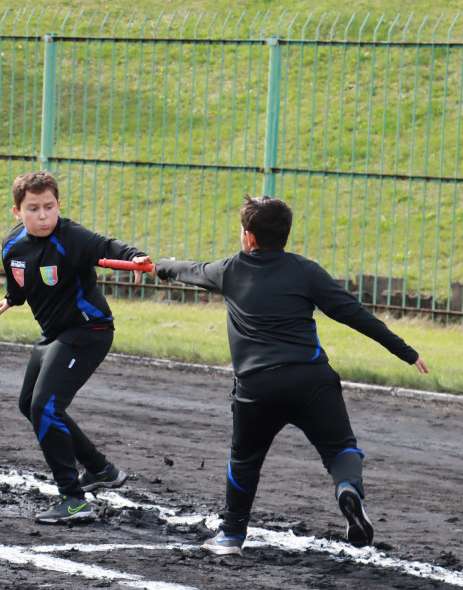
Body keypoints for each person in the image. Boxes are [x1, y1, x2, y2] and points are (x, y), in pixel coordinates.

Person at [155, 195, 429, 554]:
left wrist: (160, 265)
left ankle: (231, 535)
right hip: (311, 381)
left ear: (249, 237)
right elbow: (353, 313)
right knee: (340, 449)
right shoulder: (305, 270)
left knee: (245, 459)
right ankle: (347, 488)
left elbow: (188, 270)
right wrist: (406, 352)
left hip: (257, 387)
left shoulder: (230, 269)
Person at [0, 171, 152, 524]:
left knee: (44, 407)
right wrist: (11, 300)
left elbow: (107, 246)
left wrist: (136, 257)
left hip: (88, 331)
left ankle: (73, 499)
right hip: (54, 334)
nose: (43, 215)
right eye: (33, 208)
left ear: (58, 205)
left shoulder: (71, 237)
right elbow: (19, 281)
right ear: (17, 212)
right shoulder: (12, 245)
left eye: (49, 206)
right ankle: (99, 469)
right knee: (30, 405)